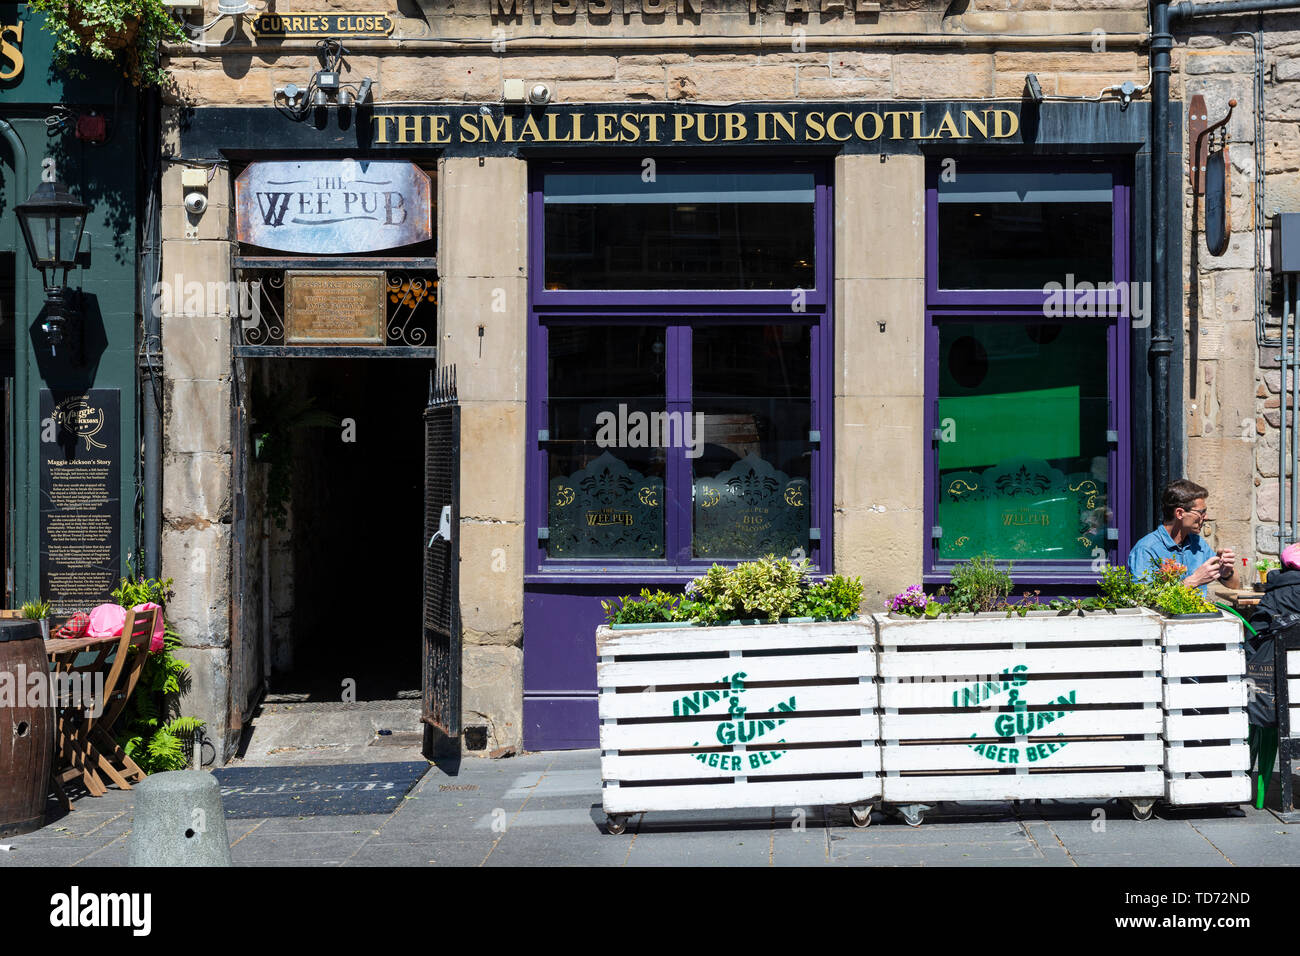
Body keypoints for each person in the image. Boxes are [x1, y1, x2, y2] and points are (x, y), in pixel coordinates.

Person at [1127, 478, 1237, 593]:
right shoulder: (1146, 549)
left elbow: (1234, 585)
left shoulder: (1198, 544)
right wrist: (1193, 581)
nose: (1206, 517)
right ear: (1180, 513)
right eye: (1201, 512)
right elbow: (1142, 599)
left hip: (1200, 611)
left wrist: (1226, 573)